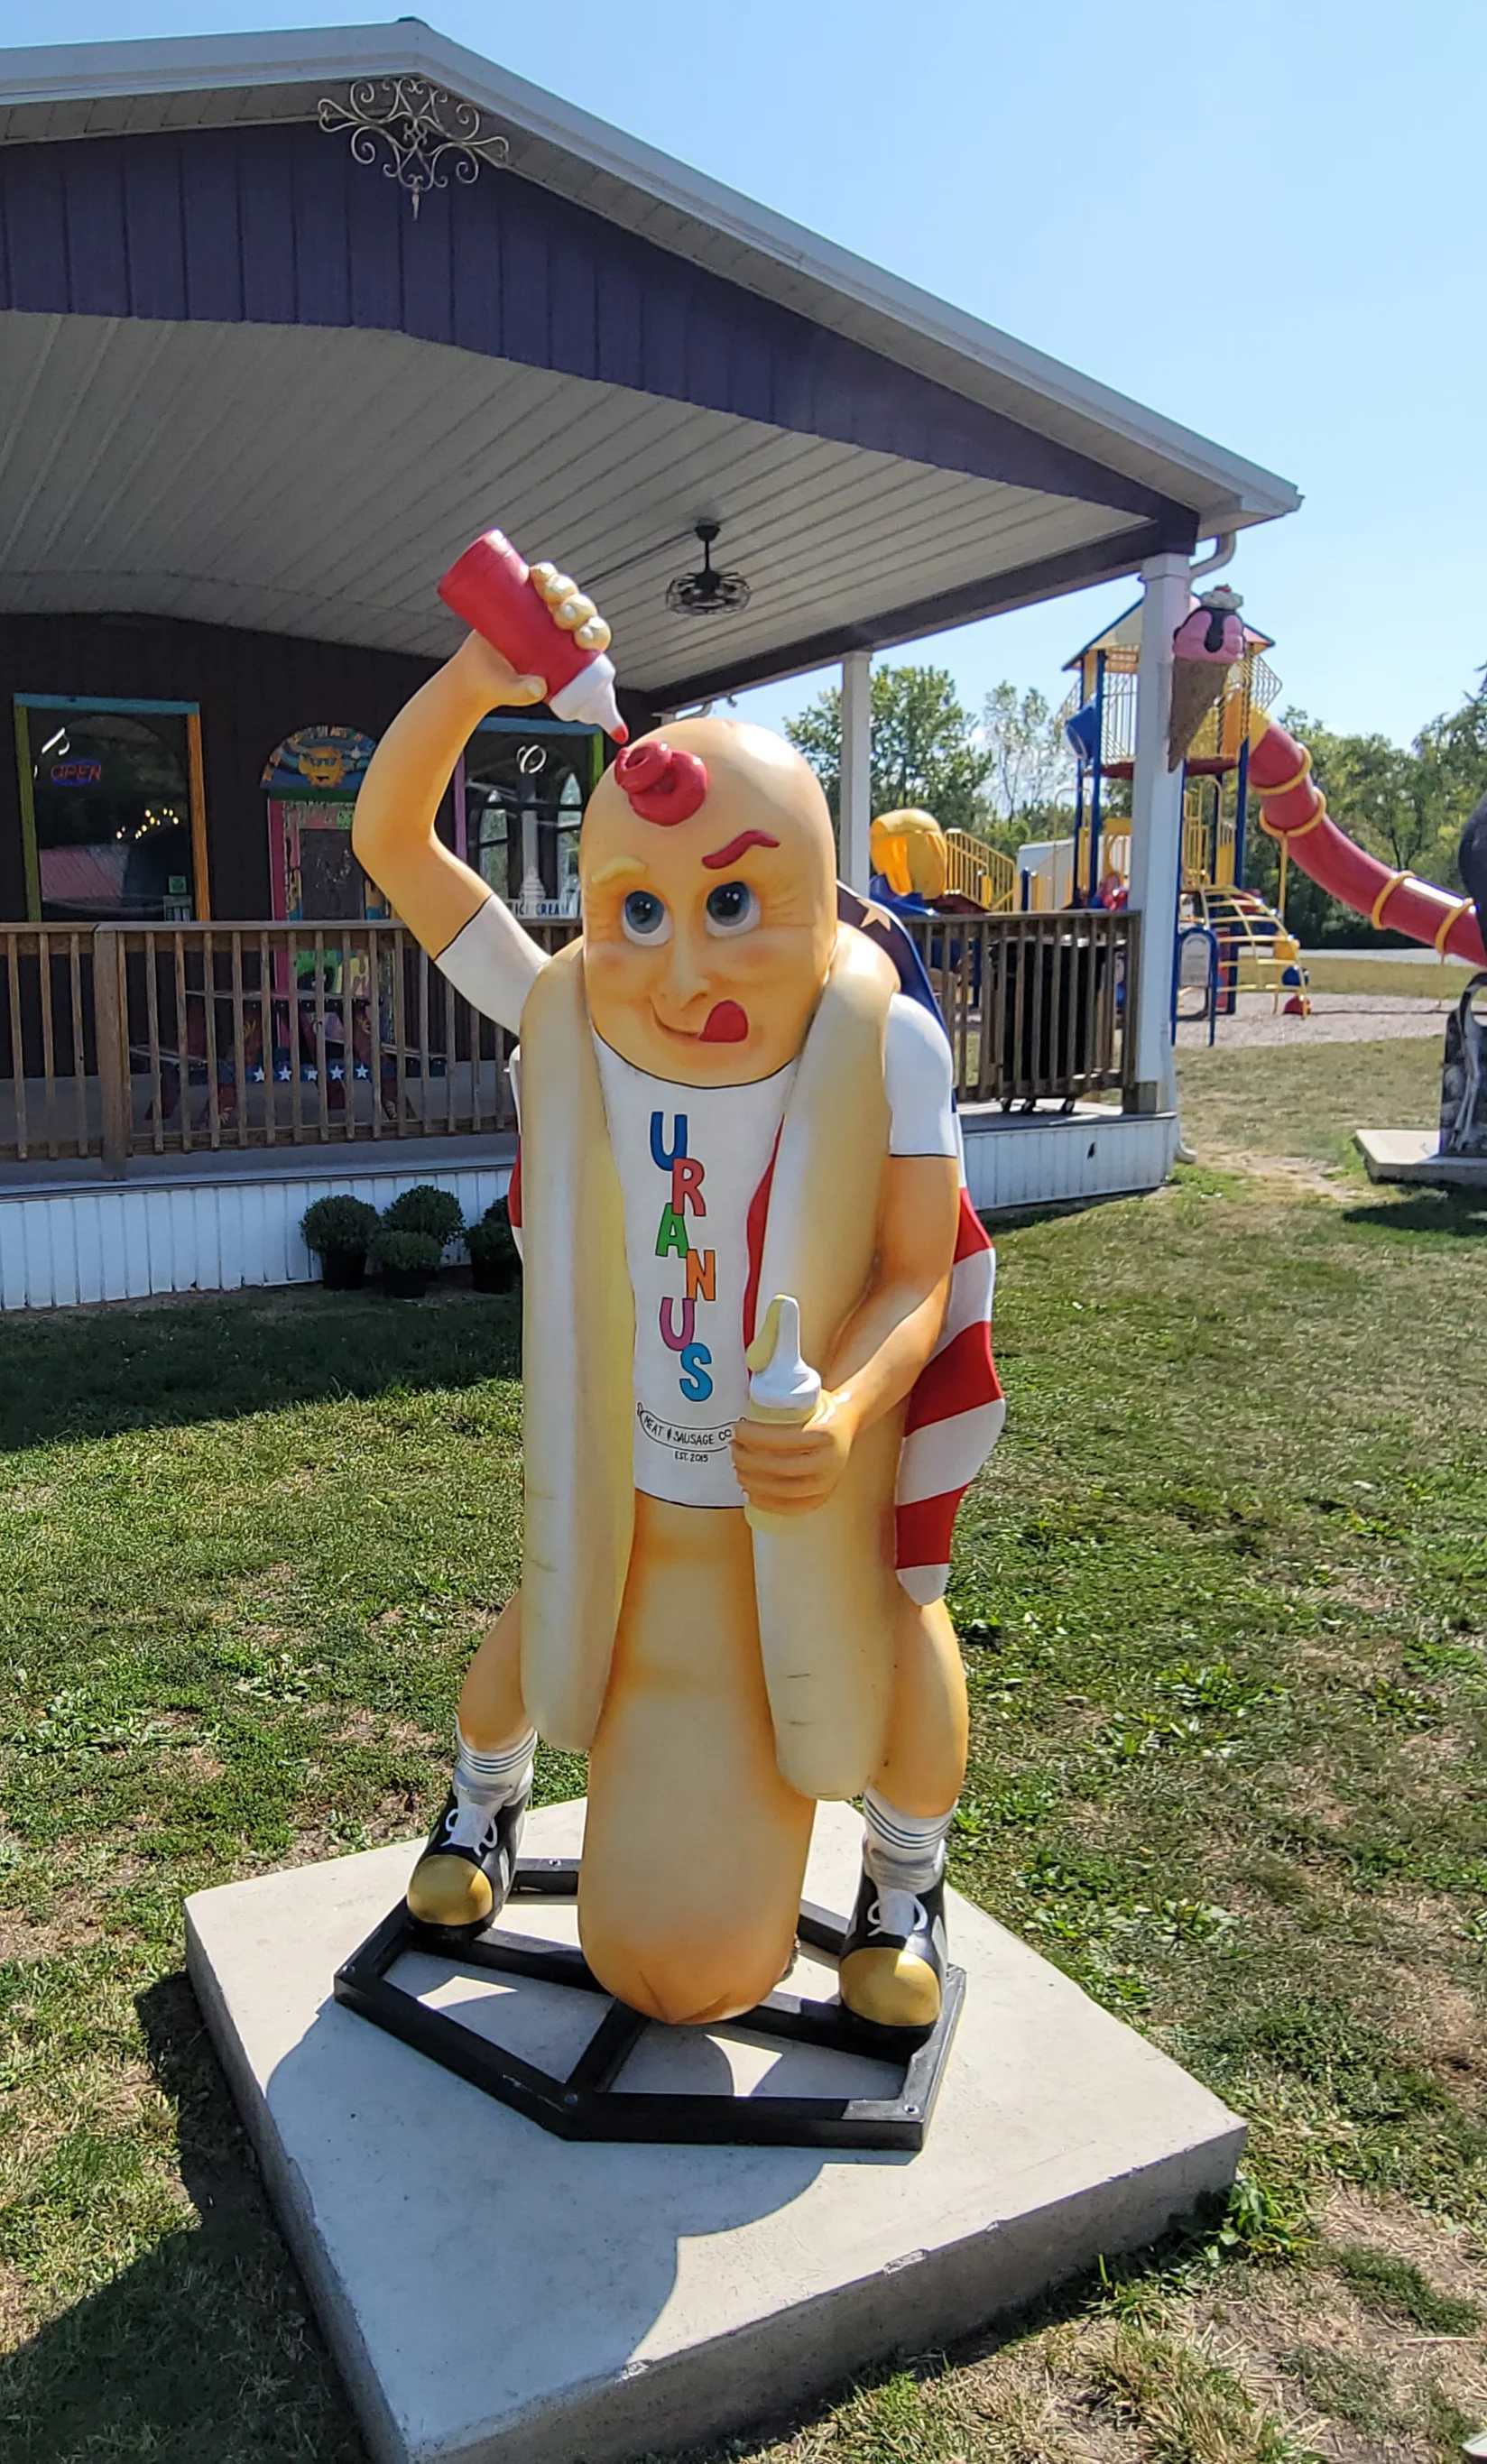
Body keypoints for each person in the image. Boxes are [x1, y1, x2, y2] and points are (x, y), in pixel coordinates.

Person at [351, 567, 1002, 2041]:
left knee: (900, 1637)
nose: (683, 962)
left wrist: (839, 1414)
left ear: (812, 889)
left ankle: (906, 1880)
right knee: (543, 1625)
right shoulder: (565, 1014)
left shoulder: (885, 1048)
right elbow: (389, 839)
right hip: (633, 1474)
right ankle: (480, 1808)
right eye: (637, 908)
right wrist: (474, 674)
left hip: (804, 1488)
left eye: (731, 902)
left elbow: (915, 1270)